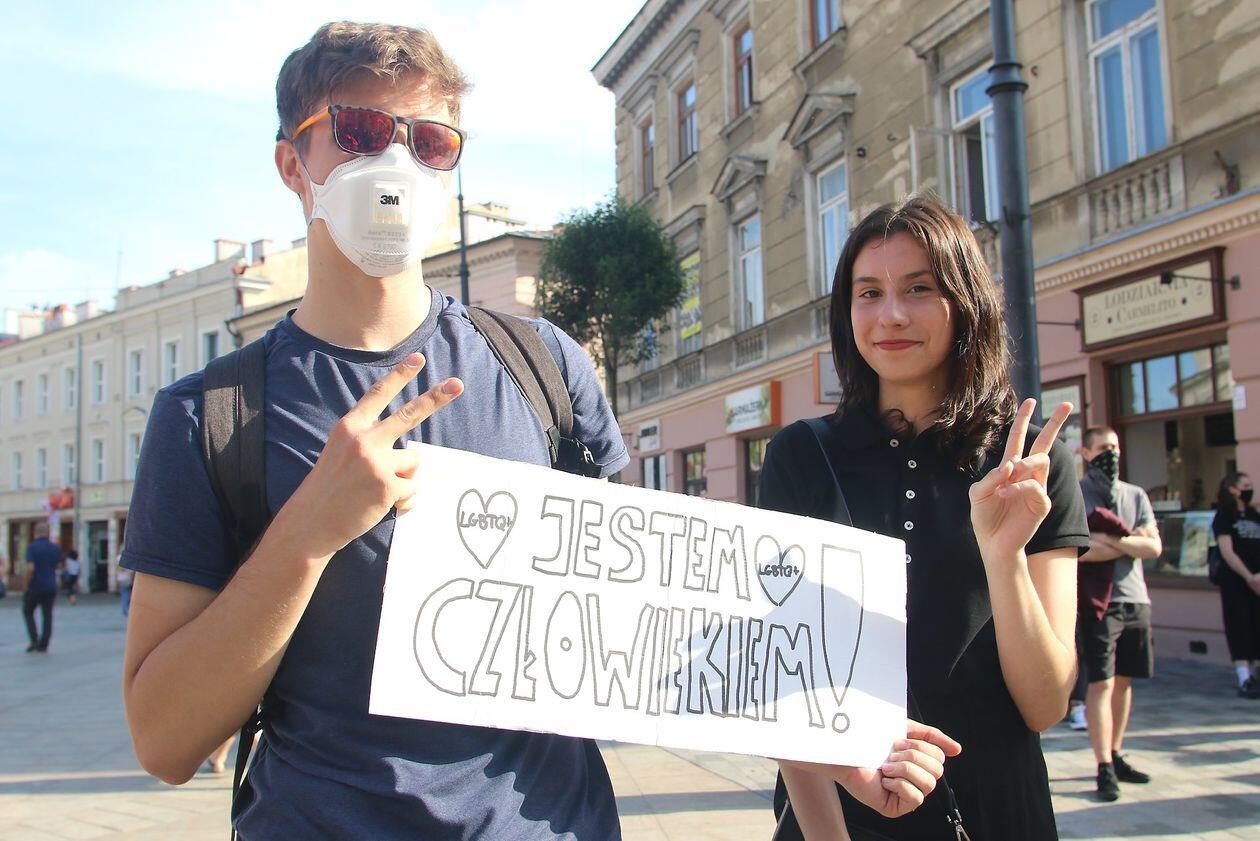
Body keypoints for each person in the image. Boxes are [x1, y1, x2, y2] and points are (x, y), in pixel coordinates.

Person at [118, 23, 949, 840]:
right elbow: (165, 739)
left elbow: (650, 621)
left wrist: (827, 729)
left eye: (430, 141)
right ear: (292, 164)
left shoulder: (543, 365)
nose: (397, 162)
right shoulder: (209, 416)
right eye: (362, 130)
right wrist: (306, 533)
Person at [760, 194, 1089, 840]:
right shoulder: (801, 455)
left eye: (919, 288)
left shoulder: (1027, 466)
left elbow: (1046, 703)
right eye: (869, 293)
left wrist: (1004, 556)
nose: (891, 314)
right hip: (839, 816)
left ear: (965, 302)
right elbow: (783, 680)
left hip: (997, 811)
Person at [1077, 426, 1162, 801]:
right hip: (1099, 602)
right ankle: (1103, 766)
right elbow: (1081, 549)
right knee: (1102, 682)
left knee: (1125, 681)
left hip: (1135, 598)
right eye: (1102, 448)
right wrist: (1131, 541)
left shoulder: (1135, 494)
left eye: (1114, 447)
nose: (1110, 453)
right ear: (1085, 452)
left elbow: (1154, 548)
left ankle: (1116, 751)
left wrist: (1111, 539)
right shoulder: (1078, 492)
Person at [1212, 472, 1260, 698]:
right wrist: (1248, 576)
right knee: (1239, 626)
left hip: (1258, 581)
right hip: (1236, 581)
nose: (1249, 489)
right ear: (1232, 489)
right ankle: (1244, 677)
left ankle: (1255, 673)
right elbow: (1227, 551)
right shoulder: (1224, 516)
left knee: (1256, 625)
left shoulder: (1254, 515)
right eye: (1245, 485)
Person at [23, 523, 63, 653]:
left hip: (35, 586)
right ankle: (44, 644)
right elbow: (60, 565)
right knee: (47, 615)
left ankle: (34, 640)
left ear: (35, 532)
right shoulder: (54, 547)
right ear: (47, 532)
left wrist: (25, 584)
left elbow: (30, 568)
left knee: (28, 611)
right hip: (50, 585)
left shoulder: (32, 547)